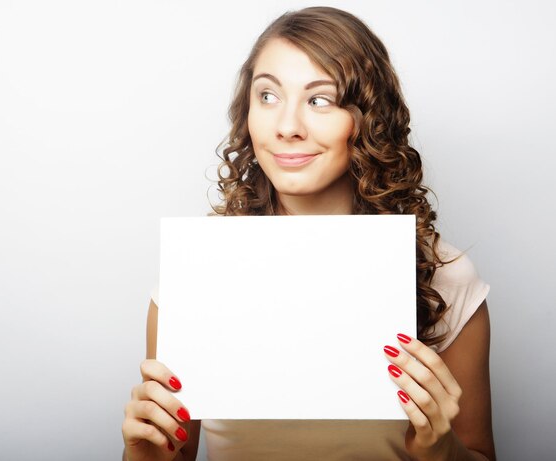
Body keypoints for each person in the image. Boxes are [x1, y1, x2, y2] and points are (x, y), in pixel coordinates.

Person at [121, 6, 495, 461]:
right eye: (267, 95)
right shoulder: (194, 276)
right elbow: (171, 453)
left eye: (320, 100)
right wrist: (144, 455)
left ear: (367, 119)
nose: (287, 127)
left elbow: (478, 453)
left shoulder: (445, 277)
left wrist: (440, 450)